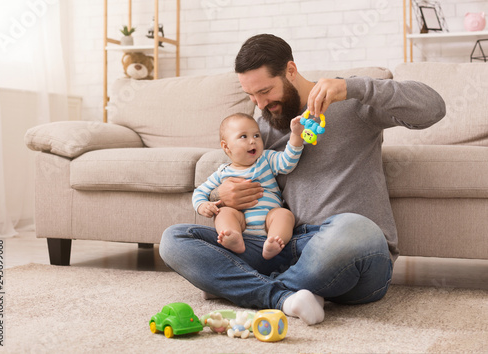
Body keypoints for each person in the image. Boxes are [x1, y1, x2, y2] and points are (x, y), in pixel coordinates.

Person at [160, 34, 446, 325]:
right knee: (174, 239)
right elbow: (230, 172)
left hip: (352, 250)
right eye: (251, 96)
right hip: (286, 245)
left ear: (290, 71)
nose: (260, 104)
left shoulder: (352, 103)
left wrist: (353, 87)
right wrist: (221, 194)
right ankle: (286, 297)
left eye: (265, 91)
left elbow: (434, 108)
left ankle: (244, 286)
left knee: (354, 226)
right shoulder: (262, 128)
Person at [193, 112, 304, 260]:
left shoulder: (266, 158)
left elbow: (287, 162)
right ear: (226, 147)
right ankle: (233, 236)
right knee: (223, 213)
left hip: (269, 221)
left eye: (256, 135)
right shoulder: (222, 173)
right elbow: (200, 192)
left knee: (284, 215)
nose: (253, 141)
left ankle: (275, 242)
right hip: (241, 223)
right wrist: (202, 206)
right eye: (243, 136)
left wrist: (296, 135)